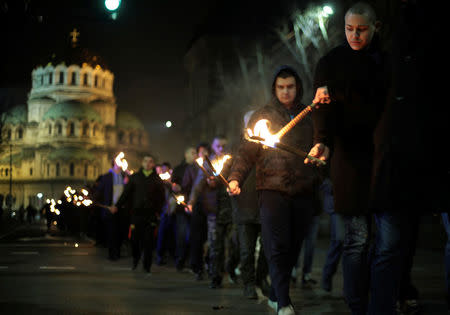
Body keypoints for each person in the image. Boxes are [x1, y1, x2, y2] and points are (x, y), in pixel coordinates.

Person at [304, 3, 398, 314]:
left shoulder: (387, 62)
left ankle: (381, 307)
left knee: (389, 243)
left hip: (385, 161)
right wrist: (322, 143)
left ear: (375, 27)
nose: (354, 35)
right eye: (349, 29)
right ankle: (358, 306)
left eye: (361, 29)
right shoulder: (331, 63)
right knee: (356, 242)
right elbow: (323, 110)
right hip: (349, 164)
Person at [228, 65, 318, 315]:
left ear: (297, 87)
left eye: (290, 87)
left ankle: (277, 294)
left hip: (302, 190)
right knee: (276, 245)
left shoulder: (308, 115)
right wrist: (235, 178)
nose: (286, 92)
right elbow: (246, 153)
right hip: (271, 190)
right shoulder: (262, 116)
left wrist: (320, 163)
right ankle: (284, 303)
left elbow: (320, 145)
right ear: (274, 89)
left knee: (292, 247)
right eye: (281, 87)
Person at [189, 136, 239, 289]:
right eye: (218, 146)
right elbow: (198, 185)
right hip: (214, 211)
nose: (221, 148)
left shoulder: (231, 162)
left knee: (234, 245)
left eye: (224, 145)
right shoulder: (207, 163)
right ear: (213, 146)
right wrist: (191, 201)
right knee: (215, 246)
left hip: (231, 210)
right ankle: (215, 276)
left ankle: (230, 270)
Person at [232, 110, 269, 299]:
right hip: (244, 206)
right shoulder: (239, 147)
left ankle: (261, 279)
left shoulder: (269, 144)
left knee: (266, 250)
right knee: (246, 251)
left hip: (265, 205)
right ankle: (248, 284)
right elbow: (232, 171)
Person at [112, 155, 165, 273]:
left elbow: (161, 198)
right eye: (145, 161)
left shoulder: (157, 180)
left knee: (149, 242)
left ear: (153, 164)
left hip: (151, 215)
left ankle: (147, 266)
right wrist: (117, 206)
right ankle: (136, 259)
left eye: (150, 162)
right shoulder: (135, 177)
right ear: (142, 163)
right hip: (137, 214)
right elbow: (126, 194)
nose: (147, 164)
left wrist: (159, 212)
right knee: (135, 240)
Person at [185, 142, 210, 280]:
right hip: (196, 207)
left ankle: (209, 264)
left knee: (209, 239)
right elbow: (188, 186)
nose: (204, 155)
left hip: (210, 207)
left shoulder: (212, 165)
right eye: (201, 152)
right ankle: (197, 267)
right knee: (196, 238)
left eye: (206, 152)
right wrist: (190, 201)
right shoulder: (192, 168)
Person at [93, 157, 126, 261]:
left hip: (122, 209)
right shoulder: (106, 177)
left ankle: (118, 251)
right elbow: (99, 193)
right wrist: (107, 206)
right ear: (114, 164)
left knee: (121, 232)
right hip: (110, 209)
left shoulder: (126, 177)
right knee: (112, 232)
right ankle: (112, 253)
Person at [155, 162, 176, 265]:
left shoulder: (172, 181)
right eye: (163, 169)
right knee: (161, 234)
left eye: (166, 169)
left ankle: (170, 254)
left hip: (172, 212)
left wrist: (170, 184)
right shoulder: (159, 182)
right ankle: (160, 255)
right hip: (163, 211)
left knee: (171, 234)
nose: (164, 171)